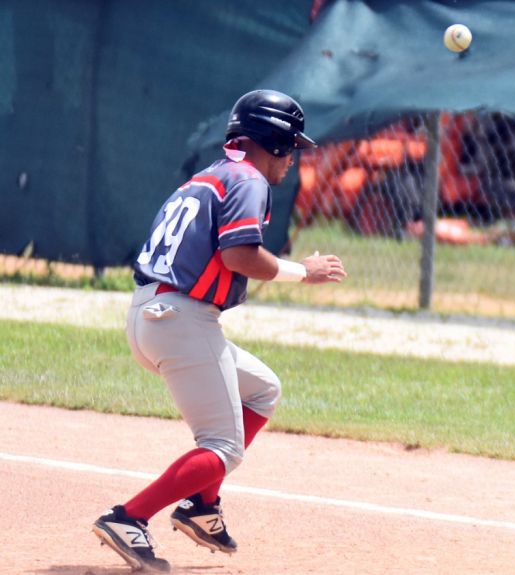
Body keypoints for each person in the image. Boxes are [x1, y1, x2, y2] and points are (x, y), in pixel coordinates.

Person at [91, 90, 346, 572]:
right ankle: (129, 517)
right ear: (269, 140)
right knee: (223, 446)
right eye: (289, 145)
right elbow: (239, 256)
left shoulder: (207, 177)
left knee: (264, 390)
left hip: (153, 313)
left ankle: (201, 504)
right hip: (181, 319)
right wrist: (302, 272)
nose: (291, 158)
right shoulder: (249, 180)